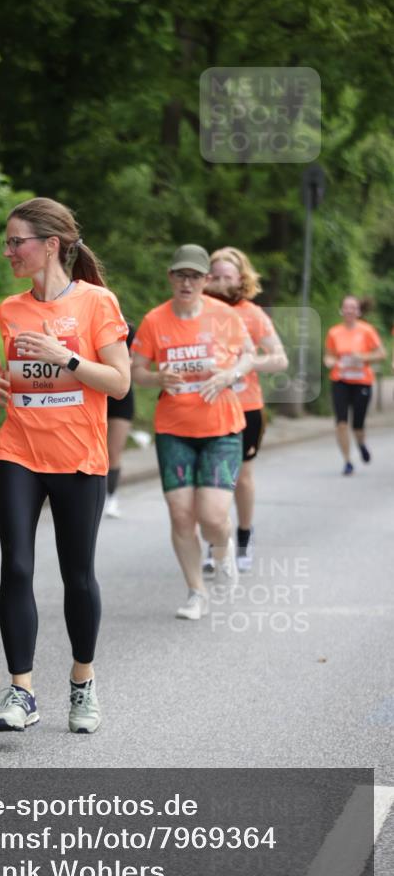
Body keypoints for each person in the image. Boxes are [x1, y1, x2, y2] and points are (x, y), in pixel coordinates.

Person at [0, 198, 130, 734]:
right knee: (17, 568)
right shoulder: (10, 309)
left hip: (78, 458)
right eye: (7, 242)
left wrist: (64, 355)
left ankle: (82, 682)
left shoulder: (97, 303)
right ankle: (21, 691)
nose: (8, 252)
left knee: (77, 575)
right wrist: (1, 385)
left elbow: (119, 383)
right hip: (18, 452)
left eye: (15, 242)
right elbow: (20, 380)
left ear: (49, 245)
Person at [131, 244, 254, 621]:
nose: (187, 282)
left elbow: (249, 355)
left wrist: (230, 374)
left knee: (213, 515)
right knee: (181, 515)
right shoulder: (155, 321)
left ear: (205, 280)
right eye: (180, 275)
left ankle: (223, 547)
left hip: (222, 428)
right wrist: (157, 377)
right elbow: (135, 372)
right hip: (174, 430)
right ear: (170, 277)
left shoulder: (224, 316)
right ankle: (195, 592)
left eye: (195, 276)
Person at [203, 247, 288, 572]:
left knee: (242, 476)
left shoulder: (251, 313)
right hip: (209, 404)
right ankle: (215, 539)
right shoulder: (199, 311)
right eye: (216, 276)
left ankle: (243, 534)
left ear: (241, 278)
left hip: (246, 407)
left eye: (229, 277)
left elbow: (280, 359)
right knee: (213, 476)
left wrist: (245, 365)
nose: (222, 283)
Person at [324, 296, 385, 475]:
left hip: (362, 382)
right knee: (341, 423)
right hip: (340, 380)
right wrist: (330, 362)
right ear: (342, 310)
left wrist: (363, 357)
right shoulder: (334, 332)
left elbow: (381, 354)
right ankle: (347, 461)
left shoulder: (367, 331)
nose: (349, 311)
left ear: (358, 311)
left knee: (357, 424)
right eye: (346, 307)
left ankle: (361, 443)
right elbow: (328, 356)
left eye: (353, 308)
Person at [104, 322, 136, 518]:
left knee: (113, 452)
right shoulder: (78, 323)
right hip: (92, 393)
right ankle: (94, 496)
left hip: (120, 397)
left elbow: (135, 361)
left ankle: (111, 497)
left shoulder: (127, 329)